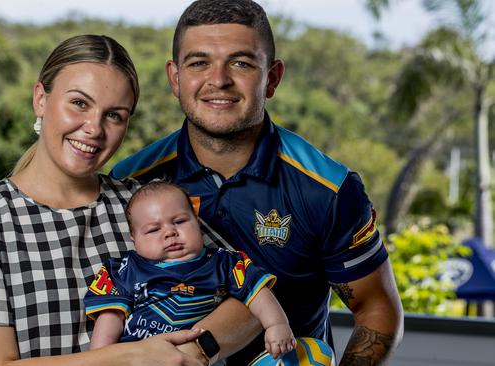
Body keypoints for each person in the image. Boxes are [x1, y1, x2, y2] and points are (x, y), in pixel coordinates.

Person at [110, 0, 405, 364]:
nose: (218, 80)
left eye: (241, 63)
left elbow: (377, 310)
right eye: (199, 62)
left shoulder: (328, 189)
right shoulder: (130, 183)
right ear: (175, 78)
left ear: (273, 78)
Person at [0, 34, 259, 366]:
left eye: (115, 115)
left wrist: (196, 349)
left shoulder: (144, 203)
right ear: (40, 99)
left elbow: (253, 296)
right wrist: (132, 356)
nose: (94, 128)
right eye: (79, 103)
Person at [85, 181, 296, 359]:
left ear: (197, 220)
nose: (170, 232)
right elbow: (110, 318)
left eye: (179, 221)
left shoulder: (223, 262)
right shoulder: (126, 269)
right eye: (153, 229)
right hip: (138, 358)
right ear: (134, 238)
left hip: (200, 358)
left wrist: (276, 324)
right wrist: (101, 359)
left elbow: (258, 293)